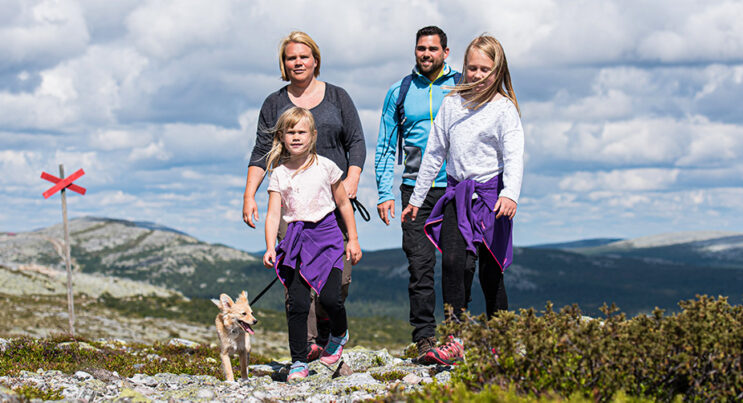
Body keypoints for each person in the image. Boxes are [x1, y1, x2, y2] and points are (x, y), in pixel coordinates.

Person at [401, 35, 524, 365]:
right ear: (463, 67)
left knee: (490, 272)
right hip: (457, 195)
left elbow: (513, 156)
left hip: (492, 197)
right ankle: (456, 340)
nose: (478, 75)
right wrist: (417, 198)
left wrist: (510, 193)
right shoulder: (452, 103)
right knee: (455, 264)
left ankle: (501, 340)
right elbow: (434, 153)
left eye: (485, 69)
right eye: (472, 68)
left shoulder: (504, 109)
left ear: (497, 71)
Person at [243, 31, 365, 361]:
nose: (297, 62)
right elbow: (260, 149)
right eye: (290, 57)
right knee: (297, 282)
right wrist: (249, 194)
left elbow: (356, 142)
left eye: (303, 56)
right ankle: (307, 346)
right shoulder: (274, 103)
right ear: (284, 64)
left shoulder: (338, 97)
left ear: (315, 60)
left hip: (334, 200)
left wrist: (352, 178)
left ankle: (328, 334)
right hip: (291, 203)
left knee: (336, 285)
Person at [374, 26, 461, 362]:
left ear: (445, 52)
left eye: (433, 49)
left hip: (455, 187)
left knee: (456, 264)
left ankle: (456, 334)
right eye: (421, 49)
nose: (426, 54)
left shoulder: (461, 86)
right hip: (414, 191)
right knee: (420, 266)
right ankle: (425, 337)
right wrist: (384, 193)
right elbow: (384, 145)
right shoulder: (400, 91)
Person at [262, 106, 362, 380]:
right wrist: (271, 246)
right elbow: (273, 214)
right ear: (282, 136)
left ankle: (339, 333)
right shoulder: (279, 173)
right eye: (290, 132)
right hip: (295, 241)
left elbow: (343, 203)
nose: (296, 137)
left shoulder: (327, 167)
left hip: (328, 239)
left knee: (330, 298)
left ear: (313, 135)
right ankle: (298, 361)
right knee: (298, 303)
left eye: (301, 132)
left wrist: (352, 239)